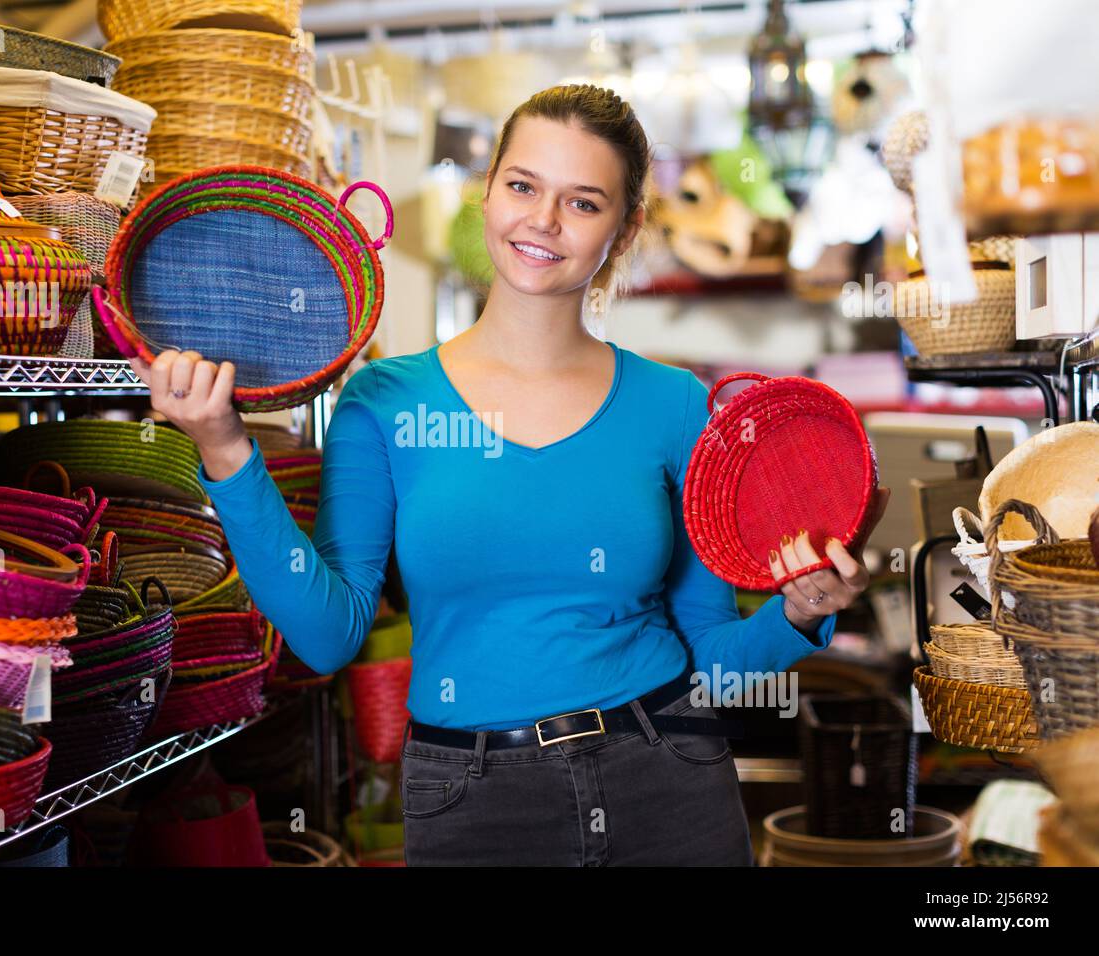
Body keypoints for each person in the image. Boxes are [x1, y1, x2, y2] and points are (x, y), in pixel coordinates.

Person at [129, 84, 889, 867]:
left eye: (583, 202)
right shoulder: (387, 402)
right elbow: (329, 636)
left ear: (622, 232)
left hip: (667, 779)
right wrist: (224, 449)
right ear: (486, 191)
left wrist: (799, 615)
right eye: (523, 185)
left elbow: (711, 665)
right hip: (473, 800)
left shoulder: (676, 407)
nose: (543, 221)